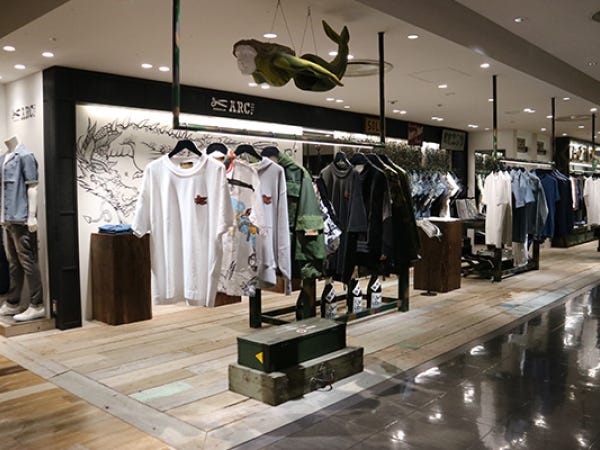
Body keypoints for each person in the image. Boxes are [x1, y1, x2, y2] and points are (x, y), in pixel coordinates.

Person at [233, 20, 349, 92]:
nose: (240, 60)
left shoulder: (276, 60)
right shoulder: (256, 72)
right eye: (238, 55)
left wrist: (330, 75)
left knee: (337, 66)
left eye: (245, 54)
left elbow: (309, 66)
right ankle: (342, 43)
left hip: (318, 79)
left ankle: (342, 43)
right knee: (300, 82)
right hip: (307, 81)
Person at [0, 136, 45, 322]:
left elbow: (32, 186)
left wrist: (32, 216)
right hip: (8, 218)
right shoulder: (4, 158)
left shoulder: (25, 155)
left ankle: (37, 304)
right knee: (13, 262)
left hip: (22, 218)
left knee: (28, 261)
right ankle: (13, 301)